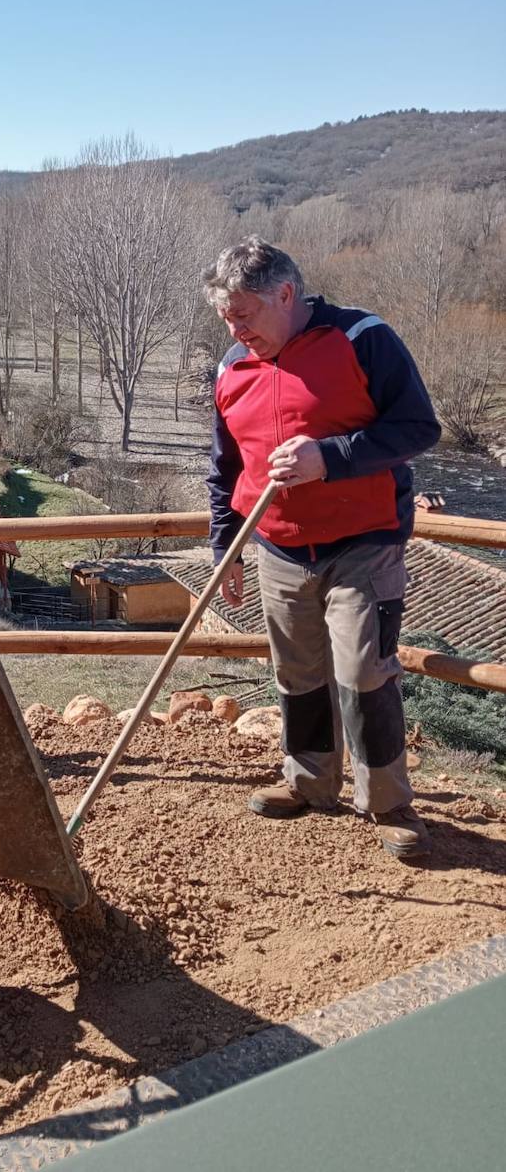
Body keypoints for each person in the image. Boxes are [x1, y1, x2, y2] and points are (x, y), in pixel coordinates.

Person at [203, 237, 440, 862]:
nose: (235, 328)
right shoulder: (232, 368)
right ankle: (309, 783)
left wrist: (327, 459)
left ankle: (388, 803)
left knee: (364, 671)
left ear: (286, 294)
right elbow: (225, 469)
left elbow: (418, 427)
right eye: (227, 317)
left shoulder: (362, 338)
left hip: (364, 544)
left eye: (244, 314)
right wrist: (224, 546)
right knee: (297, 672)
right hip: (279, 549)